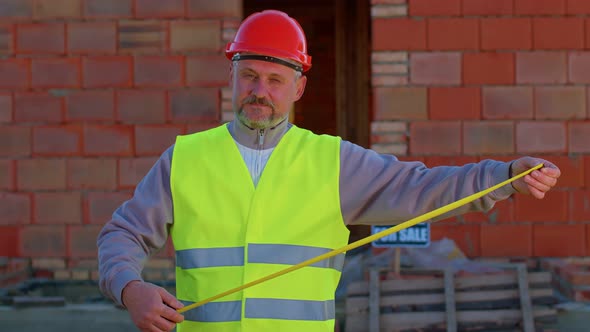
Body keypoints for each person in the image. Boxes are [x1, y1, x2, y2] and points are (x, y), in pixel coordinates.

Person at [97, 9, 561, 332]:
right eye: (250, 76)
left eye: (276, 80)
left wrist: (504, 177)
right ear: (231, 76)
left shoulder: (335, 163)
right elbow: (122, 234)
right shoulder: (186, 158)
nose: (260, 91)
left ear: (298, 87)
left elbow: (423, 188)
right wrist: (130, 288)